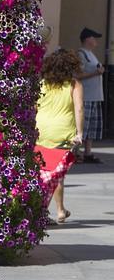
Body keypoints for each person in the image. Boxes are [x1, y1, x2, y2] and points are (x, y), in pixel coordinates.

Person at [35, 49, 84, 223]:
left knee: (44, 172)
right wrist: (80, 133)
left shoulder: (42, 83)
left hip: (41, 131)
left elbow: (34, 106)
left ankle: (58, 209)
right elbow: (78, 108)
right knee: (58, 174)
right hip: (62, 132)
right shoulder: (74, 84)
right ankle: (53, 212)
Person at [76, 27, 105, 163]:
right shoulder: (81, 54)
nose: (96, 40)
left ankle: (88, 152)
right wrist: (96, 73)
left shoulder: (91, 54)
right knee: (82, 126)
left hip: (95, 96)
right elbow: (77, 75)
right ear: (87, 39)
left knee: (91, 127)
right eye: (94, 38)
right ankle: (77, 153)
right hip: (86, 95)